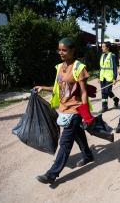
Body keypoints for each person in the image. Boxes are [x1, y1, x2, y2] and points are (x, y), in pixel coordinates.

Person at [34, 37, 94, 184]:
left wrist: (86, 114)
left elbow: (84, 92)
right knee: (77, 133)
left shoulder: (79, 67)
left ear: (72, 50)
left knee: (65, 142)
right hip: (63, 108)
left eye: (64, 50)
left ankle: (52, 174)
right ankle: (88, 155)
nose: (61, 53)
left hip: (75, 109)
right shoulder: (60, 67)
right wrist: (43, 87)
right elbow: (59, 87)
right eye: (59, 50)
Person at [99, 42, 120, 112]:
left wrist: (114, 78)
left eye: (103, 47)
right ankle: (104, 107)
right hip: (102, 77)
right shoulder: (102, 55)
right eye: (102, 46)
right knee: (103, 92)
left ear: (108, 48)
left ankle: (115, 99)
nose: (102, 48)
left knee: (107, 91)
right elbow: (101, 67)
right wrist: (99, 77)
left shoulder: (112, 56)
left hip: (109, 76)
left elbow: (114, 68)